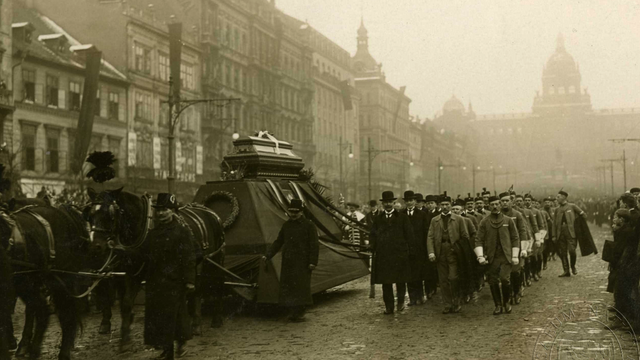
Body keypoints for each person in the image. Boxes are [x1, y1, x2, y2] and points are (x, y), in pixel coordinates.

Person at [144, 193, 196, 360]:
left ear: (173, 211)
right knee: (161, 317)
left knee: (172, 317)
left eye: (165, 210)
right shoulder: (152, 233)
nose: (161, 214)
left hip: (174, 282)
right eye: (159, 210)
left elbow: (189, 257)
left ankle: (170, 352)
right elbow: (143, 254)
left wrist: (189, 280)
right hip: (156, 282)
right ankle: (169, 348)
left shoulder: (181, 232)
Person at [263, 199, 319, 322]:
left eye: (296, 212)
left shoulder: (309, 225)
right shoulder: (286, 225)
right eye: (291, 212)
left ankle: (299, 312)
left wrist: (312, 262)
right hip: (288, 261)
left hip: (303, 263)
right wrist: (268, 255)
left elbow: (314, 245)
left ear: (301, 212)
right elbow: (279, 241)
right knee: (289, 287)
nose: (293, 214)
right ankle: (293, 311)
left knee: (301, 287)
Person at [474, 195, 520, 315]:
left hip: (506, 256)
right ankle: (498, 305)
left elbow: (515, 238)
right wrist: (480, 256)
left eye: (497, 204)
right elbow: (478, 239)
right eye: (492, 205)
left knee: (505, 279)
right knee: (493, 281)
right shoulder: (484, 221)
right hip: (492, 257)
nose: (495, 207)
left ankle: (506, 302)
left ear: (500, 204)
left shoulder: (508, 220)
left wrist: (515, 255)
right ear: (488, 206)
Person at [370, 191, 414, 314]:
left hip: (399, 255)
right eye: (386, 202)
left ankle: (400, 302)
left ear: (394, 203)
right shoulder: (378, 219)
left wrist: (407, 251)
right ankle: (389, 307)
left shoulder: (402, 217)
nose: (388, 204)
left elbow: (409, 235)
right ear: (382, 204)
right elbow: (373, 235)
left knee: (401, 281)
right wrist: (372, 246)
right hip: (384, 256)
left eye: (390, 202)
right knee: (386, 283)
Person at [427, 192, 470, 314]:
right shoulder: (434, 220)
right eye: (442, 204)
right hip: (440, 252)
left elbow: (465, 236)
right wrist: (431, 252)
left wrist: (457, 248)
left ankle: (456, 301)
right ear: (439, 206)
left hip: (454, 252)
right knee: (443, 280)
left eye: (447, 204)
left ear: (451, 205)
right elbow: (430, 237)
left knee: (453, 277)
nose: (445, 207)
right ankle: (447, 304)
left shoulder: (459, 219)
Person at [499, 192, 528, 305]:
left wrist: (524, 248)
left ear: (511, 202)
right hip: (503, 249)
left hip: (516, 247)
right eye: (503, 201)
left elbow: (523, 231)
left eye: (507, 201)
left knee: (516, 272)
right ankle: (509, 294)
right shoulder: (498, 215)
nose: (505, 203)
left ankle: (516, 292)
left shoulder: (517, 214)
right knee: (506, 274)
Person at [402, 191, 430, 306]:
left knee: (418, 273)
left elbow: (426, 232)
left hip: (419, 248)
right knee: (409, 274)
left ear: (415, 201)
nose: (409, 203)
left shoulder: (422, 214)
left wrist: (425, 248)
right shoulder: (401, 214)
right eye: (407, 201)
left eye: (411, 200)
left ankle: (420, 296)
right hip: (406, 249)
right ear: (405, 202)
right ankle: (412, 298)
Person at [553, 190, 587, 277]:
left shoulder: (572, 206)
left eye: (558, 197)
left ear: (564, 197)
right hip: (560, 233)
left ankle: (573, 266)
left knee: (572, 251)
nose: (557, 198)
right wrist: (554, 235)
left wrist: (578, 226)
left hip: (571, 233)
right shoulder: (557, 209)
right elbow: (554, 224)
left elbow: (583, 215)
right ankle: (566, 271)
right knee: (563, 253)